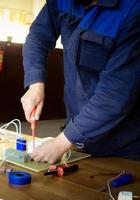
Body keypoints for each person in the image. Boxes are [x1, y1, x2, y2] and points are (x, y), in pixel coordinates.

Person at [21, 0, 140, 163]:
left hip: (123, 145)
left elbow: (115, 93)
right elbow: (38, 37)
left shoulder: (133, 9)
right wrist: (35, 84)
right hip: (76, 134)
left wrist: (60, 143)